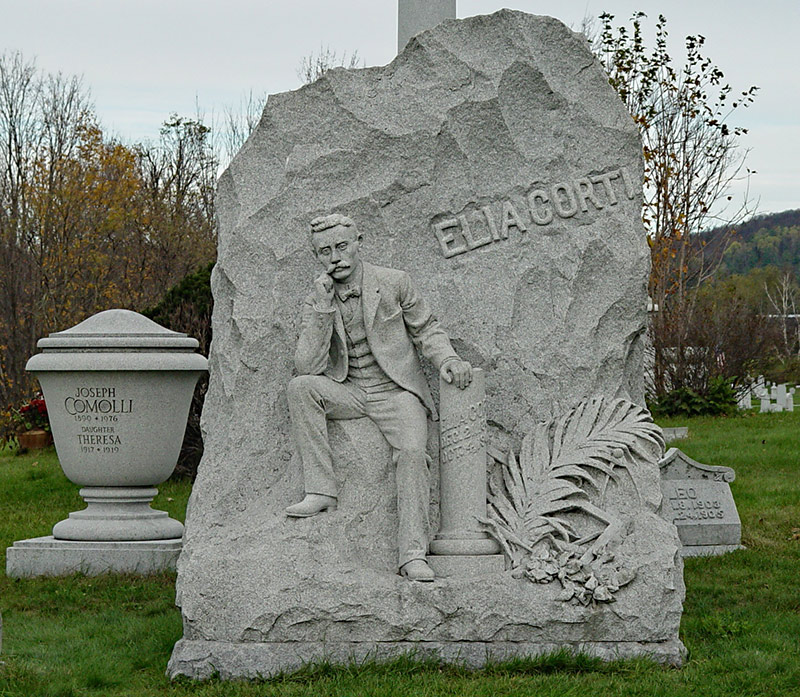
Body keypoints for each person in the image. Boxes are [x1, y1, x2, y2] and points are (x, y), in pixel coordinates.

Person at [285, 213, 472, 581]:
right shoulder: (317, 298)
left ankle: (413, 555)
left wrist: (448, 359)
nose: (335, 257)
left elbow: (427, 329)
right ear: (316, 257)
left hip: (395, 392)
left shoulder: (394, 282)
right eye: (325, 251)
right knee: (300, 388)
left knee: (414, 453)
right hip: (351, 390)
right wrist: (323, 307)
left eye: (341, 246)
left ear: (358, 243)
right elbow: (306, 365)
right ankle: (321, 490)